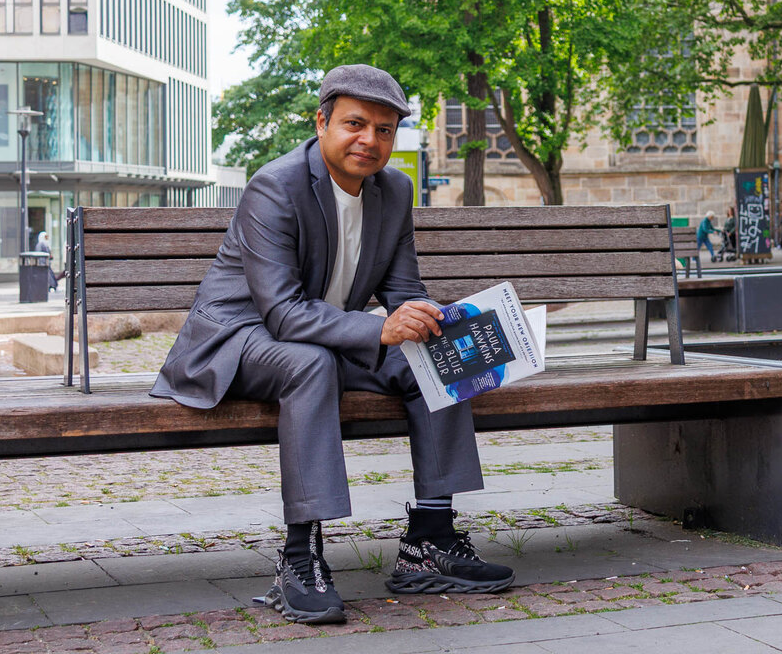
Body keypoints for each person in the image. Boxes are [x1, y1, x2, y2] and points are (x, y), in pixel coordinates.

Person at [150, 65, 513, 625]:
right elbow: (282, 312)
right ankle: (300, 558)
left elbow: (403, 292)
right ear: (321, 123)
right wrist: (380, 329)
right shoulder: (275, 186)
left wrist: (442, 323)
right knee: (310, 363)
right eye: (355, 124)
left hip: (324, 335)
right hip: (240, 338)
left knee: (437, 356)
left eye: (385, 130)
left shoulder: (393, 190)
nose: (370, 140)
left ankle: (431, 540)